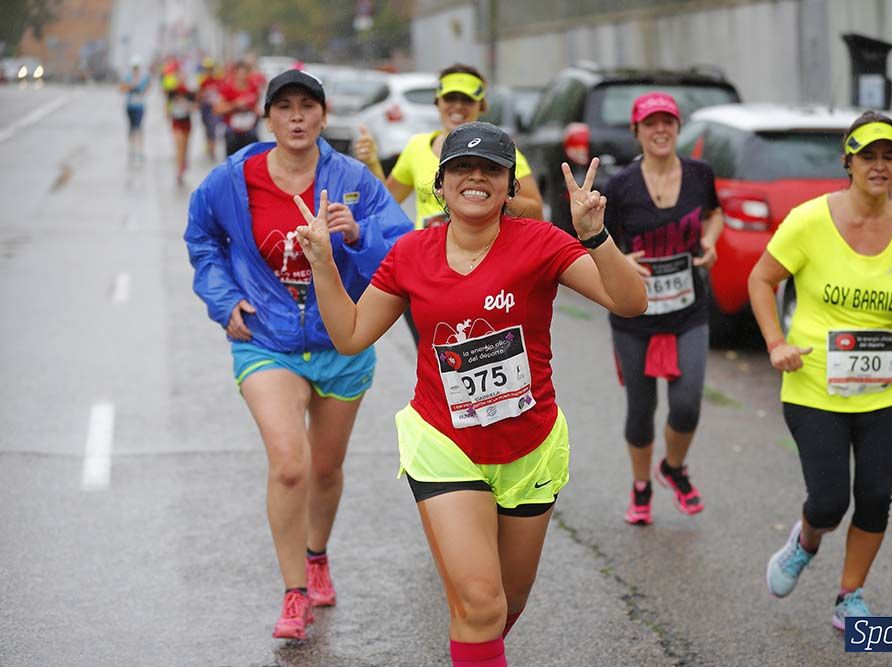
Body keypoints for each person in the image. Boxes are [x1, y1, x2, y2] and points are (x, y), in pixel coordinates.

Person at [295, 121, 646, 666]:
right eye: (461, 167)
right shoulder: (411, 253)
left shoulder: (543, 244)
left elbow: (630, 303)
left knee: (505, 603)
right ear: (440, 184)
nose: (476, 178)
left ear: (509, 186)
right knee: (481, 604)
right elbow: (351, 334)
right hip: (444, 442)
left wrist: (594, 235)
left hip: (530, 445)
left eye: (491, 169)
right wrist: (322, 265)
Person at [184, 69, 412, 640]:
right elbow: (203, 240)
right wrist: (224, 299)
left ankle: (317, 555)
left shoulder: (354, 179)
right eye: (283, 107)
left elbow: (403, 250)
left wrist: (358, 235)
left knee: (326, 469)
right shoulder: (234, 180)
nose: (296, 117)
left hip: (342, 342)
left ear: (323, 114)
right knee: (291, 465)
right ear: (268, 118)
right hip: (268, 340)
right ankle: (293, 593)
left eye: (306, 106)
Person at [747, 110, 892, 630]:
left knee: (875, 497)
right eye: (868, 156)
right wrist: (776, 342)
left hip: (884, 389)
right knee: (829, 500)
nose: (879, 166)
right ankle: (806, 541)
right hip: (814, 384)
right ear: (848, 162)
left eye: (888, 156)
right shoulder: (810, 221)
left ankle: (850, 596)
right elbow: (761, 281)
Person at [354, 64, 544, 346]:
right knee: (434, 356)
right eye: (450, 99)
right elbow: (386, 204)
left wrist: (487, 195)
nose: (457, 107)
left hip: (483, 269)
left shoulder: (502, 153)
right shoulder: (418, 147)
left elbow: (536, 211)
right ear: (438, 102)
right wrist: (371, 162)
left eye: (466, 100)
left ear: (482, 104)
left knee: (479, 352)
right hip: (426, 272)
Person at [603, 92, 723, 524]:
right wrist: (621, 260)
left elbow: (714, 214)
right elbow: (599, 239)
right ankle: (641, 487)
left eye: (668, 122)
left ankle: (673, 467)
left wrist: (709, 241)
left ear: (677, 128)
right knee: (640, 407)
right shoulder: (620, 185)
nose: (660, 130)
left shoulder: (699, 174)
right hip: (634, 312)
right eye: (650, 123)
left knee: (687, 403)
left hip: (689, 306)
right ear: (636, 131)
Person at [215, 60, 262, 156]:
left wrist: (259, 112)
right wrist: (235, 104)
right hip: (233, 132)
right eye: (240, 73)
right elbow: (217, 109)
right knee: (233, 161)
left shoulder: (253, 87)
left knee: (252, 159)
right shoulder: (227, 88)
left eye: (245, 73)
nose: (242, 76)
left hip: (250, 131)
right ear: (235, 73)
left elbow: (256, 107)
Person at [162, 61, 197, 185]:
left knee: (185, 146)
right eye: (179, 76)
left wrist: (188, 106)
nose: (181, 79)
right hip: (176, 122)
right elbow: (167, 104)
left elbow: (195, 106)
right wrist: (166, 113)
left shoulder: (189, 92)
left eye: (183, 76)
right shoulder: (173, 91)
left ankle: (183, 162)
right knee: (178, 145)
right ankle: (179, 170)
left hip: (186, 122)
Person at [119, 56, 149, 164]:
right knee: (131, 128)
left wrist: (141, 88)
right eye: (134, 67)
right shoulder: (127, 77)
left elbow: (148, 88)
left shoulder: (144, 77)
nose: (135, 69)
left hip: (140, 106)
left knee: (139, 128)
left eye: (137, 67)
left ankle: (140, 151)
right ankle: (131, 149)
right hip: (130, 106)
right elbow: (121, 88)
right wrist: (132, 86)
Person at [196, 57, 223, 160]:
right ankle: (209, 145)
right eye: (207, 69)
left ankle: (212, 148)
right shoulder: (203, 81)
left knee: (213, 127)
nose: (209, 71)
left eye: (210, 69)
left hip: (214, 108)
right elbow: (199, 94)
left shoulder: (218, 80)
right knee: (207, 128)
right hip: (205, 108)